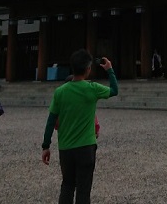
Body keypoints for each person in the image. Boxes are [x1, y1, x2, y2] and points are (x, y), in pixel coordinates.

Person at [41, 50, 118, 204]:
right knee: (84, 189)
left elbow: (51, 121)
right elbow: (114, 91)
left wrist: (46, 146)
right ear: (88, 69)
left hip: (66, 148)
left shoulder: (60, 92)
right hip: (86, 147)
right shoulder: (92, 88)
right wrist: (109, 69)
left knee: (67, 185)